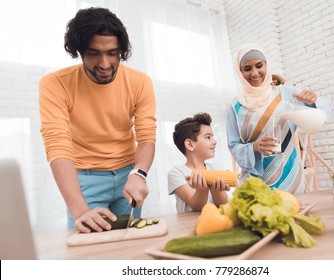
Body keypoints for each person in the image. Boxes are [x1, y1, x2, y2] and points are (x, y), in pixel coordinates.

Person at [39, 7, 157, 233]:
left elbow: (146, 137)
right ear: (79, 51)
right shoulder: (55, 84)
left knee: (127, 246)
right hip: (84, 179)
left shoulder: (140, 82)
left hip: (129, 175)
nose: (104, 64)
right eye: (93, 53)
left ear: (121, 51)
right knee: (88, 252)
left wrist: (138, 174)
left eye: (112, 53)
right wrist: (79, 209)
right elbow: (57, 146)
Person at [226, 43, 334, 193]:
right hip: (254, 183)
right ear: (240, 71)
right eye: (247, 68)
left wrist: (313, 101)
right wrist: (254, 147)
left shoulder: (286, 93)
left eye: (259, 66)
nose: (255, 73)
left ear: (267, 65)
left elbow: (326, 110)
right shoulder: (234, 106)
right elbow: (233, 146)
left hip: (289, 177)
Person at [168, 113, 230, 212]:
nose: (215, 141)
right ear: (190, 144)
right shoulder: (177, 173)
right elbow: (196, 206)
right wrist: (202, 189)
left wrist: (217, 190)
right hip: (188, 226)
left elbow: (224, 205)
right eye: (208, 137)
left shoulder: (217, 168)